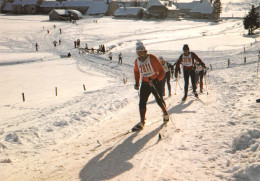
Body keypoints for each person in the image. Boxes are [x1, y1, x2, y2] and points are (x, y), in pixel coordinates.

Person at [132, 41, 170, 131]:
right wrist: (137, 82)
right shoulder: (137, 61)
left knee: (159, 99)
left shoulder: (152, 58)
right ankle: (142, 122)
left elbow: (162, 72)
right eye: (138, 53)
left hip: (155, 82)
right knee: (142, 102)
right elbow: (136, 71)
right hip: (145, 83)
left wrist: (157, 80)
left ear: (145, 52)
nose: (140, 55)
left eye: (142, 53)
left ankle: (165, 114)